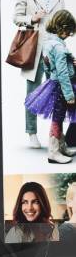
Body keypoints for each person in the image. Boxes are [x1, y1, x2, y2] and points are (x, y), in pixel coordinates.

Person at [13, 0, 65, 149]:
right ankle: (31, 133)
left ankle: (56, 136)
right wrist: (32, 18)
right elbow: (16, 18)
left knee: (59, 94)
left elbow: (62, 26)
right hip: (34, 51)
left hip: (53, 52)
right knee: (33, 93)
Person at [25, 10, 76, 163]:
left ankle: (61, 146)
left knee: (58, 117)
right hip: (61, 87)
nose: (69, 35)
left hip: (53, 85)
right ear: (64, 28)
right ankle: (53, 152)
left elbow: (47, 66)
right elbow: (63, 74)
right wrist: (69, 95)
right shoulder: (59, 47)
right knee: (57, 119)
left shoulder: (47, 43)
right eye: (70, 32)